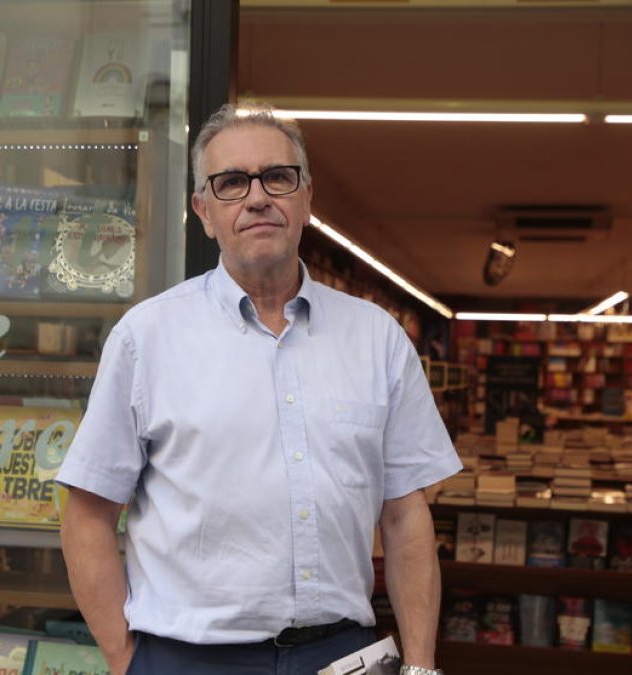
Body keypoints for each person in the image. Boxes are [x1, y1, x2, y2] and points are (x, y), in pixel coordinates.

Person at [56, 103, 462, 675]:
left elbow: (405, 516)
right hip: (185, 658)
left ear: (306, 198)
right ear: (204, 211)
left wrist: (420, 667)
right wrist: (127, 659)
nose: (257, 197)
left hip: (341, 655)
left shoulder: (378, 338)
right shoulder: (146, 337)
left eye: (278, 176)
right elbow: (87, 514)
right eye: (231, 183)